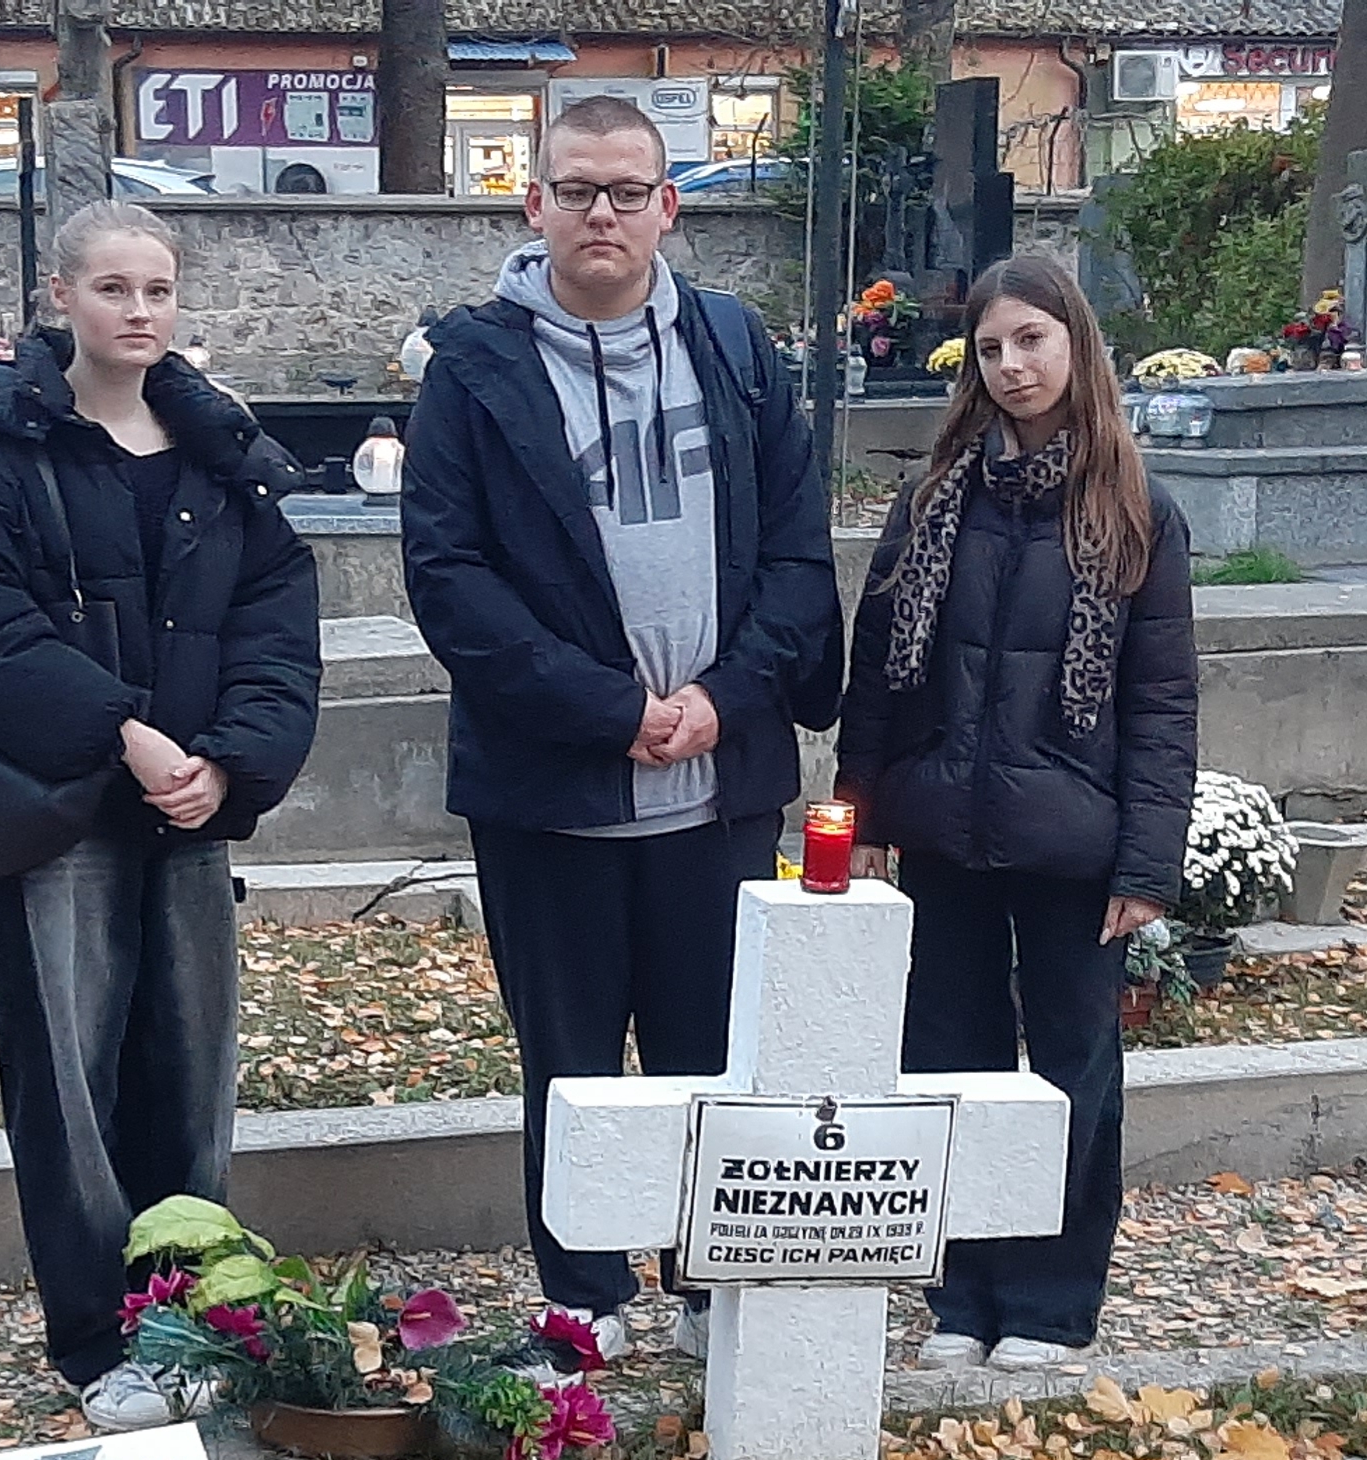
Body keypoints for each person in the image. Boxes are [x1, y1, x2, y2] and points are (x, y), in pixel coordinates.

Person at [401, 96, 842, 1366]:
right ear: (532, 203)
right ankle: (584, 1291)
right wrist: (610, 711)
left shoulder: (733, 347)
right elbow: (450, 581)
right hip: (550, 789)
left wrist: (723, 698)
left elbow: (794, 552)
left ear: (667, 206)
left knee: (710, 1048)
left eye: (627, 190)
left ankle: (709, 1281)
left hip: (716, 781)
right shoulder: (471, 371)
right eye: (577, 189)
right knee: (570, 1060)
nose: (603, 212)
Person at [0, 201, 321, 1430]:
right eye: (114, 289)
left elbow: (274, 622)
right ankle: (97, 1339)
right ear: (61, 297)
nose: (140, 312)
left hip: (188, 813)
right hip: (66, 817)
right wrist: (121, 733)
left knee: (189, 1074)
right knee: (71, 1082)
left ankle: (189, 1315)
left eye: (159, 290)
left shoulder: (219, 452)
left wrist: (231, 760)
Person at [835, 254, 1197, 1374]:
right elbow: (878, 671)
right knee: (950, 1059)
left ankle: (1047, 1300)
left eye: (1031, 340)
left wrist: (1147, 863)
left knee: (1071, 1073)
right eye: (990, 348)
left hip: (1073, 845)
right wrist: (858, 813)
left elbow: (1161, 700)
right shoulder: (934, 500)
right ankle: (962, 1292)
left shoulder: (1135, 510)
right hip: (944, 829)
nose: (1011, 366)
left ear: (1074, 345)